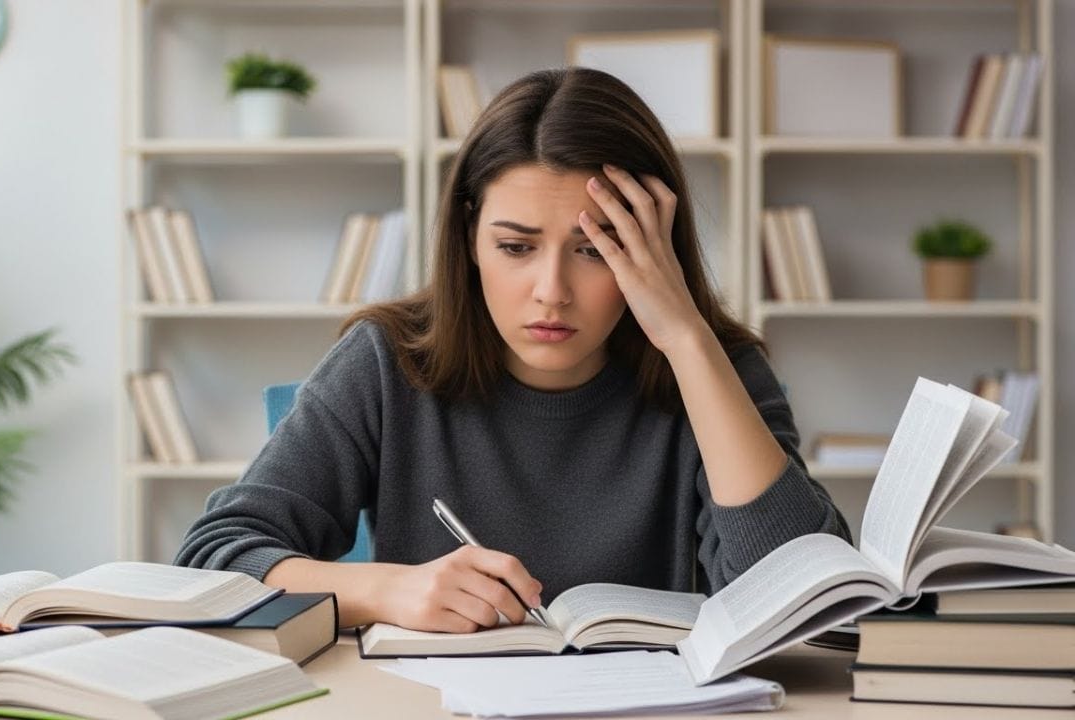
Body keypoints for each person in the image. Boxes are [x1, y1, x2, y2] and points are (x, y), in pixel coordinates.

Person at [175, 67, 851, 633]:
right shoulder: (386, 360)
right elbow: (214, 559)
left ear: (653, 250)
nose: (551, 292)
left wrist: (685, 339)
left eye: (595, 250)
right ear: (470, 239)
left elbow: (805, 597)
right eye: (516, 247)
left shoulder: (716, 368)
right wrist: (387, 589)